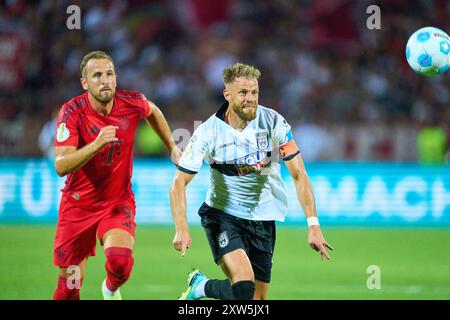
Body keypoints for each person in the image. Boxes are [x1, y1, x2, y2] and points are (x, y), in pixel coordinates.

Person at [169, 63, 333, 300]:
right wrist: (181, 228)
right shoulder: (208, 131)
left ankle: (200, 286)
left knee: (255, 300)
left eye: (254, 92)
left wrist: (313, 225)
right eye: (243, 93)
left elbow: (299, 174)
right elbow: (178, 183)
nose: (250, 98)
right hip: (222, 215)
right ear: (228, 95)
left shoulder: (273, 122)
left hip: (262, 219)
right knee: (244, 288)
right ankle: (202, 287)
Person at [52, 50, 181, 300]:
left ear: (116, 77)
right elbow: (60, 165)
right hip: (78, 206)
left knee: (120, 263)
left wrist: (172, 147)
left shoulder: (131, 103)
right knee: (69, 289)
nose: (105, 80)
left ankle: (110, 290)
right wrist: (96, 144)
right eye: (97, 75)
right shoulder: (71, 112)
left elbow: (152, 111)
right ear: (84, 83)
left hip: (116, 202)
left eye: (109, 74)